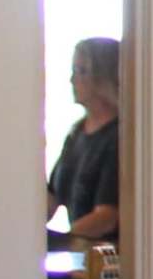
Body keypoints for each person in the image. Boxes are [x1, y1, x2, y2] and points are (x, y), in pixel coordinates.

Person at [49, 35, 122, 244]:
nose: (73, 80)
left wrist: (60, 242)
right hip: (77, 256)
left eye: (82, 71)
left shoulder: (118, 138)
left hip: (103, 262)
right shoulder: (76, 134)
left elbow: (106, 217)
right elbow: (51, 199)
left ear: (105, 77)